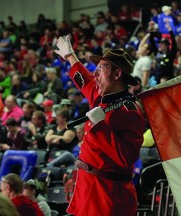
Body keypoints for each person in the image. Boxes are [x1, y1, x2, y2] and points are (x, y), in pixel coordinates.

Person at [55, 36, 146, 216]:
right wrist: (70, 56)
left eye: (101, 68)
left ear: (117, 74)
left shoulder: (130, 111)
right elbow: (85, 80)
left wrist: (100, 126)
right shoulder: (101, 98)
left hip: (108, 195)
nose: (95, 73)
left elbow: (127, 156)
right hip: (88, 188)